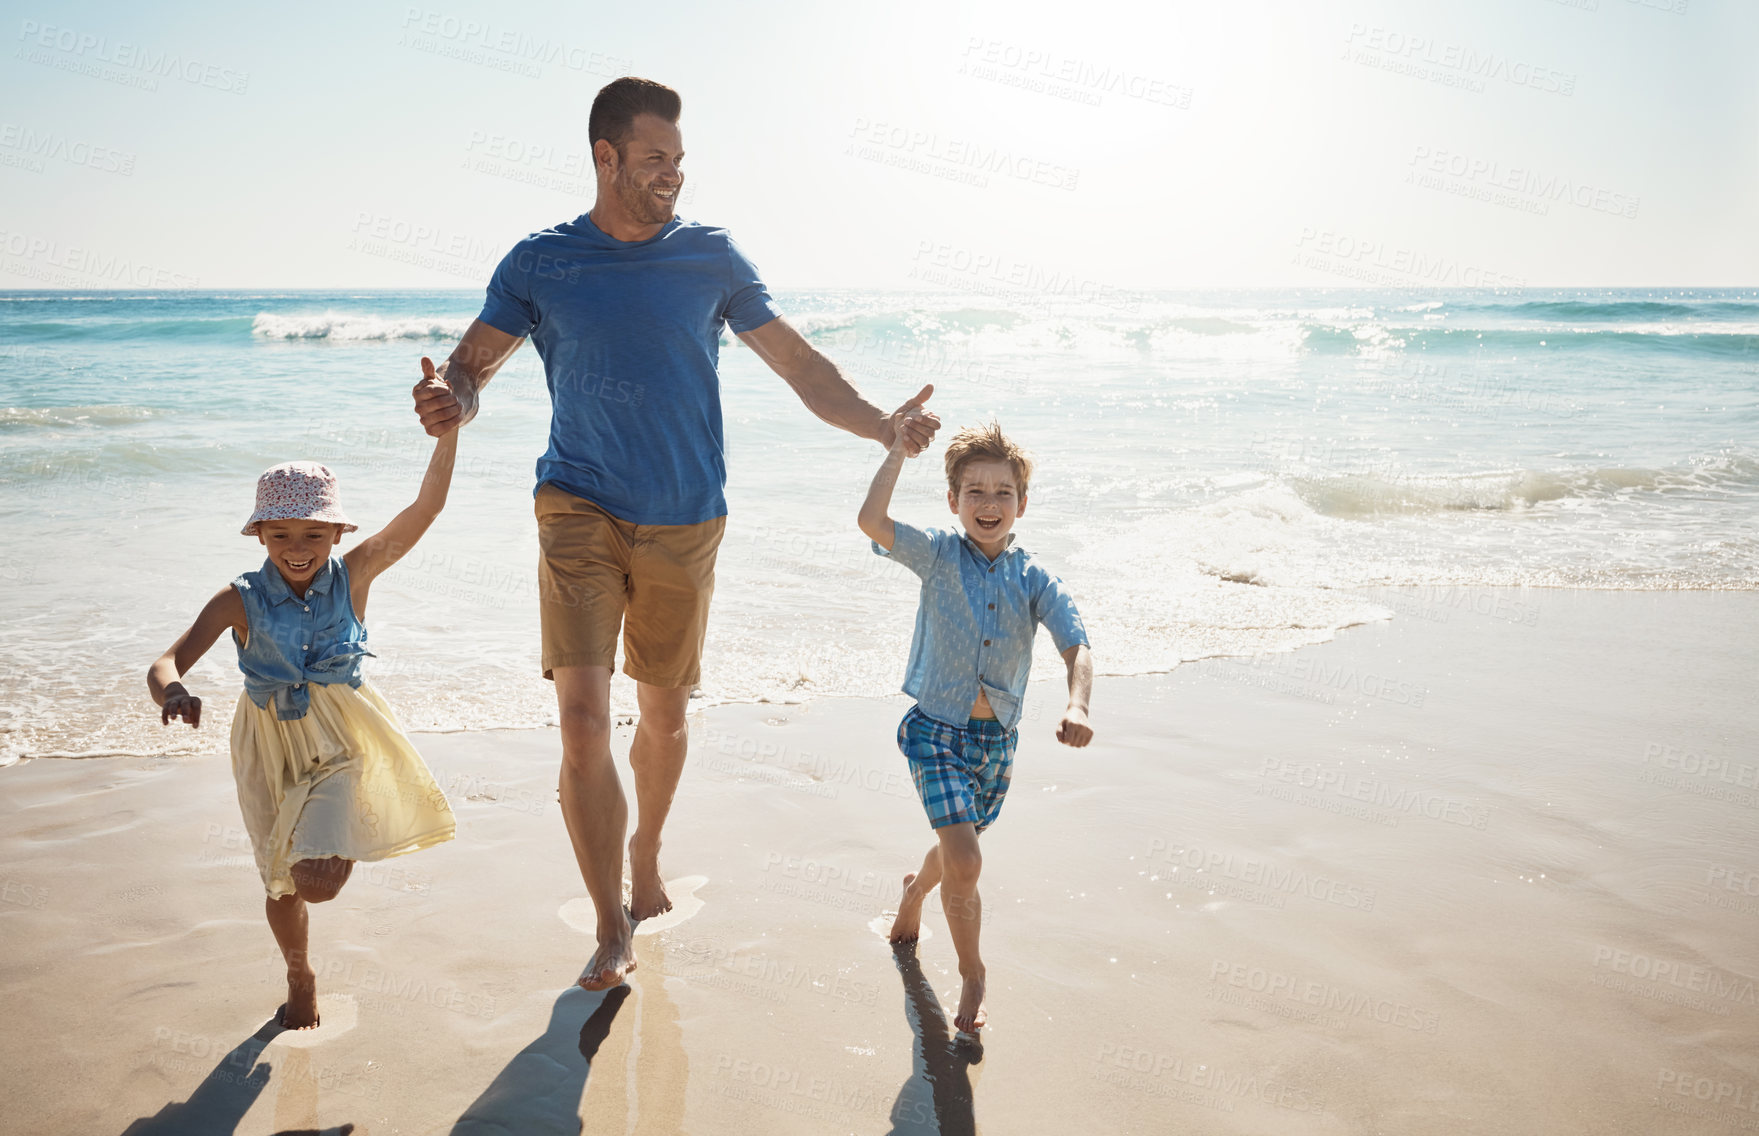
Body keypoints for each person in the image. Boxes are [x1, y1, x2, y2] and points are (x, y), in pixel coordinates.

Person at [409, 76, 939, 992]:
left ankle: (645, 852)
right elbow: (471, 365)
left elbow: (799, 367)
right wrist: (447, 397)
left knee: (661, 712)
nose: (672, 176)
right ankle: (611, 928)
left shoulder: (711, 258)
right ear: (605, 158)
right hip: (574, 504)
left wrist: (880, 427)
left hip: (687, 515)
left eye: (679, 160)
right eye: (654, 159)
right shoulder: (541, 262)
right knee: (581, 720)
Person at [147, 382, 460, 1029]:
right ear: (259, 532)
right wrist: (173, 690)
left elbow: (425, 510)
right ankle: (298, 970)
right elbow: (165, 661)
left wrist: (448, 431)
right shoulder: (239, 599)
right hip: (265, 744)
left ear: (337, 531)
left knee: (316, 878)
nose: (298, 547)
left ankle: (335, 841)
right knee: (278, 879)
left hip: (344, 736)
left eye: (314, 533)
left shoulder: (356, 573)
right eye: (281, 533)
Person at [858, 420, 1094, 1033]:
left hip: (996, 743)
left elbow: (1076, 644)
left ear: (1023, 502)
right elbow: (872, 522)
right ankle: (972, 974)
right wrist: (895, 453)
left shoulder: (1035, 578)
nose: (989, 505)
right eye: (975, 492)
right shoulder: (937, 553)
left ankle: (914, 893)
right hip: (934, 729)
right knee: (965, 857)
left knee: (958, 851)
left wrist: (1079, 704)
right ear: (953, 500)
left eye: (1003, 493)